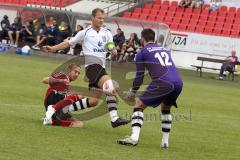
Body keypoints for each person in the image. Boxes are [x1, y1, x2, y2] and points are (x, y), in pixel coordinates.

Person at [42, 8, 130, 128]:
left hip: (101, 68)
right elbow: (68, 43)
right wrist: (52, 48)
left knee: (93, 102)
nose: (101, 20)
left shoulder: (107, 33)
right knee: (110, 85)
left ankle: (60, 109)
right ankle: (114, 118)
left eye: (103, 18)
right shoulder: (85, 32)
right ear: (92, 18)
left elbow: (110, 44)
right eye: (99, 18)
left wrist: (113, 49)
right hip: (92, 67)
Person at [117, 28, 183, 148]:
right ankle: (165, 142)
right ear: (154, 39)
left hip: (163, 81)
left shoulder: (142, 52)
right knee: (166, 107)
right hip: (178, 82)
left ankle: (134, 138)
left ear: (142, 39)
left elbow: (139, 76)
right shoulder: (164, 49)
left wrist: (132, 92)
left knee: (138, 104)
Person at [43, 63, 84, 127]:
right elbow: (44, 80)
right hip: (52, 101)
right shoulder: (63, 76)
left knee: (79, 123)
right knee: (79, 124)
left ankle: (51, 117)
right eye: (75, 72)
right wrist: (60, 80)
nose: (77, 74)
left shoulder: (67, 81)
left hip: (54, 104)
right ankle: (52, 119)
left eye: (78, 73)